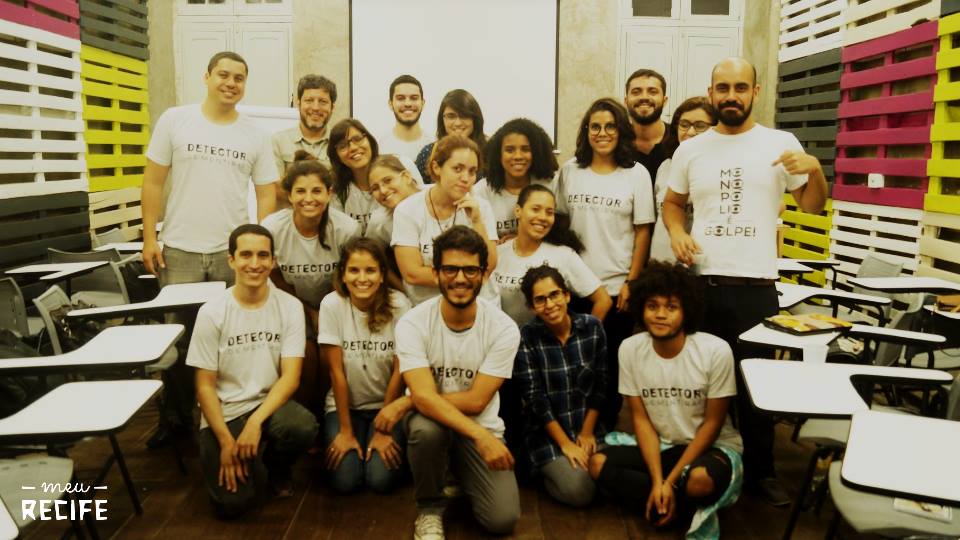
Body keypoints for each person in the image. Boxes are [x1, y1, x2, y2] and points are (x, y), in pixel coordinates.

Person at [663, 57, 827, 506]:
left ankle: (761, 470)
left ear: (755, 91)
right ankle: (700, 462)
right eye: (723, 88)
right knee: (699, 383)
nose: (731, 96)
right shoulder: (691, 149)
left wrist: (815, 168)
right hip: (702, 284)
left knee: (755, 384)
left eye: (740, 87)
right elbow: (673, 204)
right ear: (711, 92)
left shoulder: (780, 143)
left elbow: (812, 206)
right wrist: (676, 232)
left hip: (756, 285)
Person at [141, 51, 277, 448]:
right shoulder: (175, 120)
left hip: (230, 255)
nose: (230, 83)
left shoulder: (255, 135)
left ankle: (228, 417)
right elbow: (152, 182)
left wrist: (259, 247)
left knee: (230, 339)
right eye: (223, 75)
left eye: (239, 78)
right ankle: (176, 420)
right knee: (178, 341)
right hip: (180, 250)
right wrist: (149, 237)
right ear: (207, 77)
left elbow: (266, 193)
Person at [588, 261, 742, 529]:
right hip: (664, 446)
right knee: (597, 464)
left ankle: (666, 500)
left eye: (671, 307)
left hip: (711, 447)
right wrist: (659, 480)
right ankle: (674, 503)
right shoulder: (630, 349)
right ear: (641, 308)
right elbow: (641, 420)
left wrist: (669, 482)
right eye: (652, 306)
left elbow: (712, 425)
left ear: (686, 311)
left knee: (700, 481)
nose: (660, 315)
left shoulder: (715, 351)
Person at [397, 225, 521, 539]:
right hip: (433, 422)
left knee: (503, 520)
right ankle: (429, 509)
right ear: (436, 273)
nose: (461, 278)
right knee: (426, 430)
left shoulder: (504, 328)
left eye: (470, 270)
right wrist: (419, 400)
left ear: (484, 274)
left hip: (479, 423)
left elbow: (477, 401)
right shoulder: (412, 323)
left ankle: (459, 472)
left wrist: (408, 401)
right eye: (451, 269)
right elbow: (424, 399)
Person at [188, 224, 319, 518]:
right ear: (231, 260)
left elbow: (291, 377)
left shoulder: (289, 307)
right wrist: (225, 441)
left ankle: (276, 468)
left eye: (263, 255)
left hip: (268, 406)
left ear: (273, 261)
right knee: (234, 506)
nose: (255, 263)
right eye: (246, 255)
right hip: (225, 412)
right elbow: (204, 386)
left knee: (302, 427)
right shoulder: (212, 312)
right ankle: (241, 457)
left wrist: (255, 423)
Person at [556, 97, 656, 431]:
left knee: (608, 367)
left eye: (610, 126)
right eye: (595, 126)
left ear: (621, 130)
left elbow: (643, 232)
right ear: (586, 131)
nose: (602, 133)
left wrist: (632, 282)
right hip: (574, 288)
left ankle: (604, 432)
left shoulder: (636, 173)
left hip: (616, 289)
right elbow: (560, 225)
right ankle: (571, 429)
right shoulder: (570, 170)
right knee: (572, 364)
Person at [262, 151, 360, 417]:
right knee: (305, 356)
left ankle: (331, 414)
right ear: (289, 195)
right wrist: (308, 312)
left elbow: (347, 274)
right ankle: (307, 417)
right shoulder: (272, 228)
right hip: (291, 302)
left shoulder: (346, 229)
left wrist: (323, 312)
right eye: (300, 191)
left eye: (317, 191)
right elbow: (274, 276)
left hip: (336, 300)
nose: (309, 198)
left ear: (329, 193)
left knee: (329, 356)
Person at [319, 238, 412, 493]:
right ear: (343, 275)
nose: (362, 278)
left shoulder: (400, 304)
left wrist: (383, 429)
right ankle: (356, 437)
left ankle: (380, 444)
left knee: (380, 481)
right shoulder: (332, 305)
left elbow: (400, 371)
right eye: (354, 270)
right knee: (345, 482)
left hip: (387, 406)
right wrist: (345, 431)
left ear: (382, 275)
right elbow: (336, 373)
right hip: (345, 407)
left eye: (370, 270)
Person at [513, 264, 607, 507]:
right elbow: (535, 400)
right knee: (580, 491)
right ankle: (540, 471)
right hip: (548, 435)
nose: (550, 304)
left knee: (608, 473)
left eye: (554, 295)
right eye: (540, 299)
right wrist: (566, 444)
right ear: (532, 307)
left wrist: (587, 432)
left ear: (566, 295)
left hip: (587, 428)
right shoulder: (526, 337)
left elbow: (601, 383)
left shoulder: (592, 327)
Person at [393, 135, 499, 306]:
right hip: (428, 306)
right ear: (436, 167)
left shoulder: (481, 207)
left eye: (472, 171)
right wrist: (468, 276)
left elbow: (488, 266)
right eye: (458, 169)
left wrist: (477, 221)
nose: (466, 178)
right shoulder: (408, 209)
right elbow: (412, 273)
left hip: (478, 303)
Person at [493, 184, 610, 326]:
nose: (543, 217)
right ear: (518, 211)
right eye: (535, 209)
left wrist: (584, 336)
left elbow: (603, 300)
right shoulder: (497, 253)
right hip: (500, 338)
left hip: (544, 340)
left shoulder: (563, 255)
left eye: (549, 212)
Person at [649, 97, 717, 263]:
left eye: (700, 126)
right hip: (662, 264)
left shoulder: (720, 169)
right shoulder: (666, 166)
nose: (690, 132)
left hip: (701, 263)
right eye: (684, 125)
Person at [327, 118, 423, 233]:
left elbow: (422, 204)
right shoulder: (336, 188)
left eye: (357, 139)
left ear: (369, 139)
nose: (353, 148)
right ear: (336, 156)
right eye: (343, 146)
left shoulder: (401, 164)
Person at [473, 118, 559, 240]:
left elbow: (559, 231)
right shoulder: (481, 191)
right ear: (498, 154)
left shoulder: (550, 184)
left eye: (525, 149)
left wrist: (519, 239)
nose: (518, 156)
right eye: (510, 150)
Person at [272, 74, 337, 209]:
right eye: (309, 100)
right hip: (290, 219)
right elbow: (274, 189)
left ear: (332, 107)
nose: (316, 107)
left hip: (331, 220)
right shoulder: (278, 141)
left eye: (323, 102)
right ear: (299, 103)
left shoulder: (340, 144)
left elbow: (344, 189)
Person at [414, 89, 487, 181]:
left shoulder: (490, 153)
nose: (458, 123)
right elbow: (417, 189)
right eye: (451, 116)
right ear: (442, 119)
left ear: (475, 119)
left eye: (464, 116)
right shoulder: (427, 154)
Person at [624, 69, 674, 179]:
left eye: (652, 92)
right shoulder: (616, 141)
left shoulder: (678, 139)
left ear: (664, 100)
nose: (644, 97)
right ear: (626, 101)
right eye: (636, 92)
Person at [366, 154, 421, 246]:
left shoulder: (436, 195)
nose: (383, 191)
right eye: (375, 188)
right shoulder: (379, 222)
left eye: (388, 180)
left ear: (406, 177)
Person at [378, 74, 429, 162]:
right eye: (400, 98)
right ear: (390, 104)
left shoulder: (435, 145)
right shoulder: (379, 147)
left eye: (414, 98)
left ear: (422, 103)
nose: (408, 104)